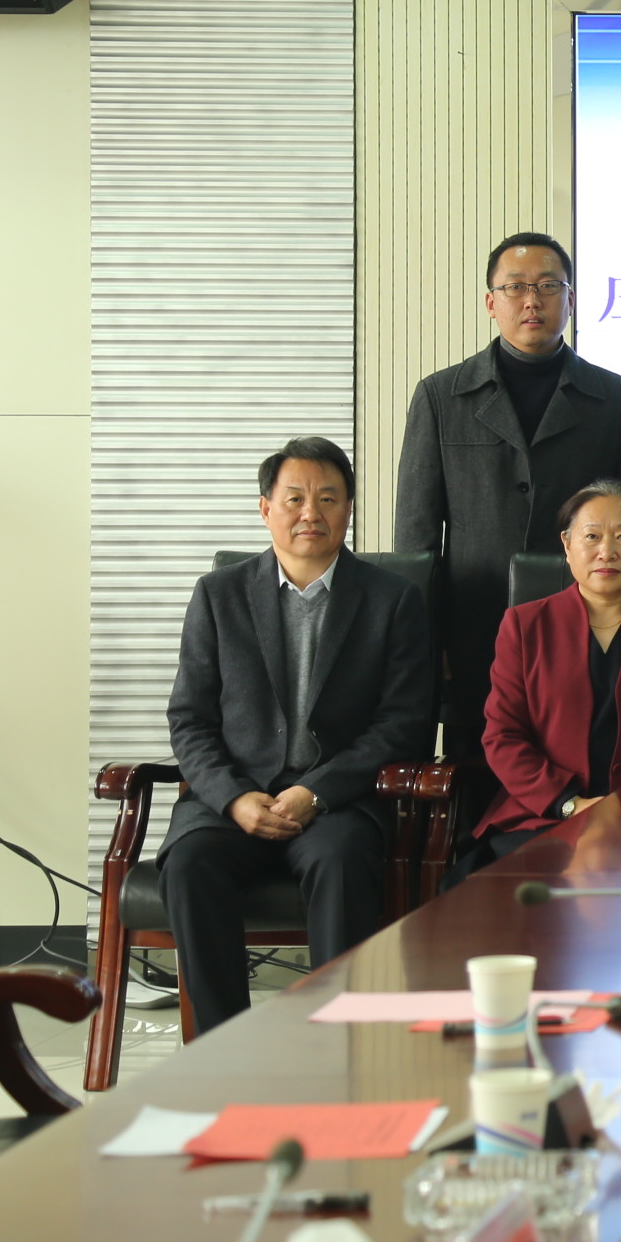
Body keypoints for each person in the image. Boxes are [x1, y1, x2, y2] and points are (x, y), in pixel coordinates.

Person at [159, 439, 433, 1030]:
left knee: (342, 863)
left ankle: (335, 1048)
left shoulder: (393, 600)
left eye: (328, 498)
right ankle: (222, 1050)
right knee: (190, 863)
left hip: (338, 802)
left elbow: (404, 724)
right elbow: (190, 719)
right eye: (295, 499)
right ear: (266, 509)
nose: (311, 512)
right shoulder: (219, 595)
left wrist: (317, 791)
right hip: (236, 798)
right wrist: (234, 797)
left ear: (349, 509)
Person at [396, 232, 621, 783]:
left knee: (582, 769)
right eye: (516, 288)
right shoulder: (441, 396)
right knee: (478, 780)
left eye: (548, 286)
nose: (532, 300)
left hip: (584, 623)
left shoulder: (611, 397)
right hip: (473, 627)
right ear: (492, 301)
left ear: (571, 299)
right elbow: (416, 537)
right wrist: (427, 640)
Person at [473, 481, 621, 860]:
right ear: (567, 545)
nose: (607, 551)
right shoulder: (524, 625)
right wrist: (569, 803)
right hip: (545, 815)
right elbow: (503, 736)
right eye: (591, 536)